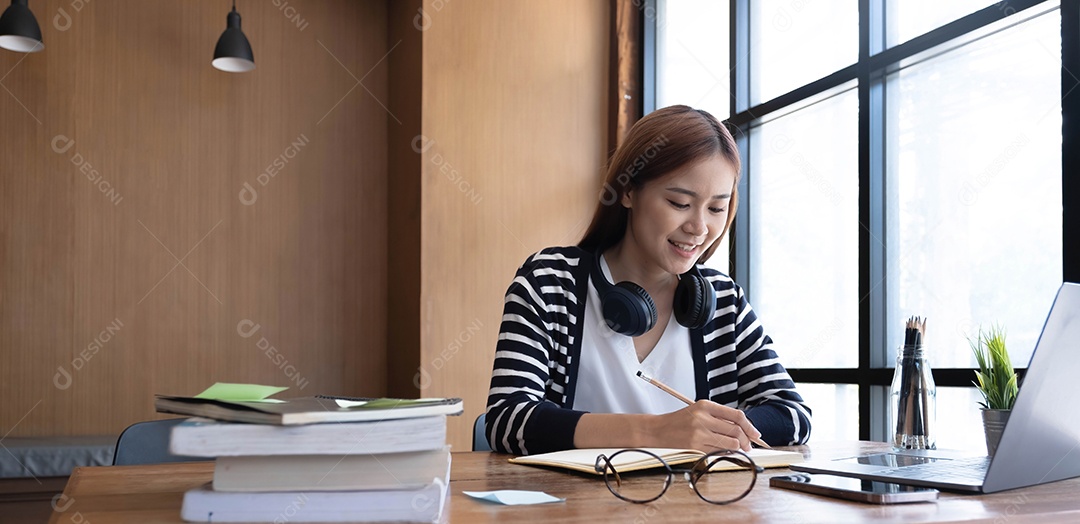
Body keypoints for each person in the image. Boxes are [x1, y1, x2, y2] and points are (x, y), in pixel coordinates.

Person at [484, 105, 811, 455]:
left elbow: (793, 416)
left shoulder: (723, 300)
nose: (699, 228)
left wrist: (713, 431)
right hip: (571, 493)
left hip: (694, 492)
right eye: (679, 203)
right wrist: (657, 431)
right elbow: (507, 419)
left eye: (716, 208)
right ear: (628, 192)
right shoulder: (550, 282)